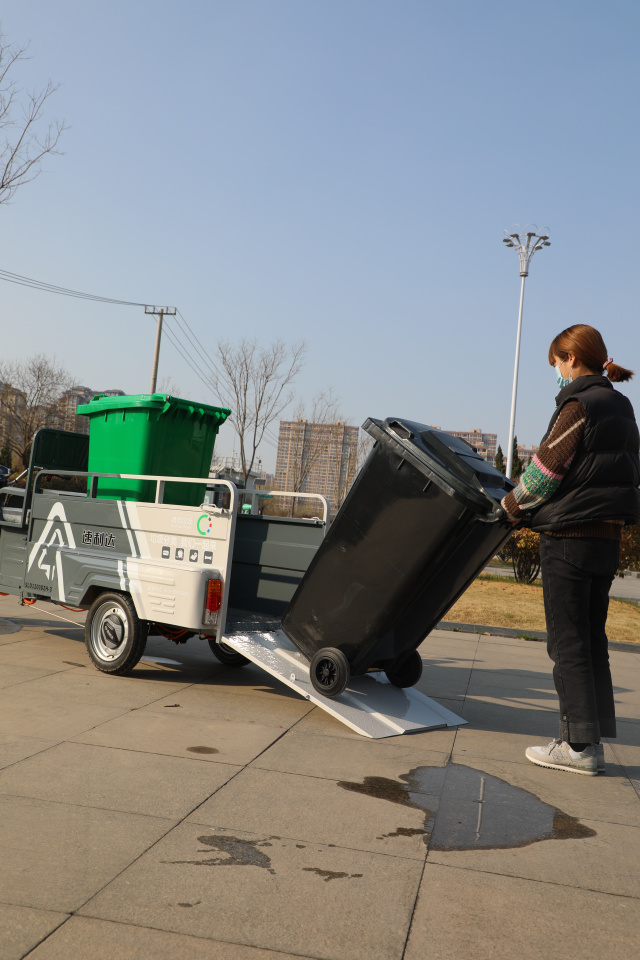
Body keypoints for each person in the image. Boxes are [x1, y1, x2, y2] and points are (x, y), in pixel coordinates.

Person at [501, 324, 640, 776]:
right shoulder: (622, 406)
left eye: (557, 362)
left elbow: (544, 472)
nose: (557, 371)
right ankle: (591, 740)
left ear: (572, 358)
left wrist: (509, 506)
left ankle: (577, 746)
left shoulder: (579, 404)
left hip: (569, 538)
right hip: (607, 539)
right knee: (592, 640)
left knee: (567, 642)